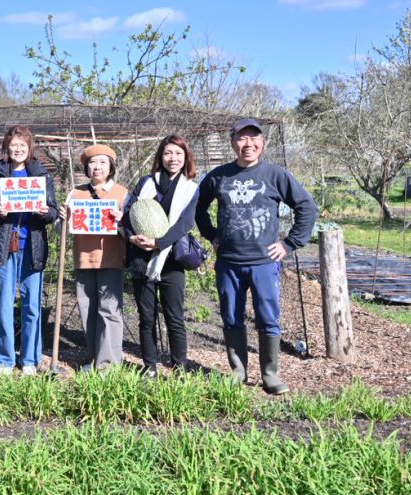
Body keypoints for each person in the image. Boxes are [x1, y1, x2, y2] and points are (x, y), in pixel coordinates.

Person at [195, 118, 318, 395]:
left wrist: (289, 243)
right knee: (231, 317)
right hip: (228, 262)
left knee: (267, 318)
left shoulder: (275, 175)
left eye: (253, 139)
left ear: (262, 144)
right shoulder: (219, 176)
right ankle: (238, 371)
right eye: (241, 139)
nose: (247, 145)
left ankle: (270, 375)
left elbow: (307, 207)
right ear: (232, 143)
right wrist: (210, 233)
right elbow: (198, 207)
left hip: (263, 263)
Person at [0, 125, 59, 375]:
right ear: (7, 148)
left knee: (32, 305)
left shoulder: (42, 176)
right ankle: (4, 358)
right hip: (4, 248)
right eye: (13, 146)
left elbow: (53, 211)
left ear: (29, 147)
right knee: (3, 303)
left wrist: (45, 213)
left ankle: (31, 360)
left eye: (22, 145)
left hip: (32, 248)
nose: (18, 149)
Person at [122, 134, 200, 377]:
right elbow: (127, 214)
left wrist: (158, 243)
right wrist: (130, 237)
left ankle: (179, 367)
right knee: (146, 316)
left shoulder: (190, 189)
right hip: (140, 257)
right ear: (160, 157)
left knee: (174, 316)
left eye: (178, 153)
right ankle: (150, 366)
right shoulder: (146, 182)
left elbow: (185, 223)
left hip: (171, 258)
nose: (173, 158)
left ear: (185, 157)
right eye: (168, 153)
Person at [67, 144, 128, 373]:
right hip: (83, 258)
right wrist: (64, 216)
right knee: (88, 309)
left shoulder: (122, 193)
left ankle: (108, 366)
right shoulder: (76, 193)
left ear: (111, 166)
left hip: (111, 259)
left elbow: (130, 228)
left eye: (103, 162)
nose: (97, 167)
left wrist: (122, 220)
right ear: (86, 167)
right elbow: (64, 228)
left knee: (110, 311)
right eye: (92, 162)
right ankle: (94, 358)